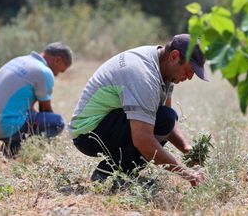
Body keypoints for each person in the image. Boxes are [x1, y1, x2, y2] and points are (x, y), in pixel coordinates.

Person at [68, 34, 208, 187]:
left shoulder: (164, 67)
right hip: (88, 135)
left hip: (105, 125)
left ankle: (120, 172)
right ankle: (107, 174)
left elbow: (165, 118)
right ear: (174, 56)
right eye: (190, 70)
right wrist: (187, 173)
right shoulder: (143, 76)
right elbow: (143, 140)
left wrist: (186, 148)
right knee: (162, 121)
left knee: (167, 117)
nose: (190, 77)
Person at [0, 42, 73, 157]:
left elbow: (26, 105)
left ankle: (9, 149)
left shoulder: (20, 60)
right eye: (60, 71)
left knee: (32, 118)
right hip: (4, 126)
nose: (57, 74)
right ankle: (19, 151)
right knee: (57, 122)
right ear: (57, 60)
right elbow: (45, 110)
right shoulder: (44, 71)